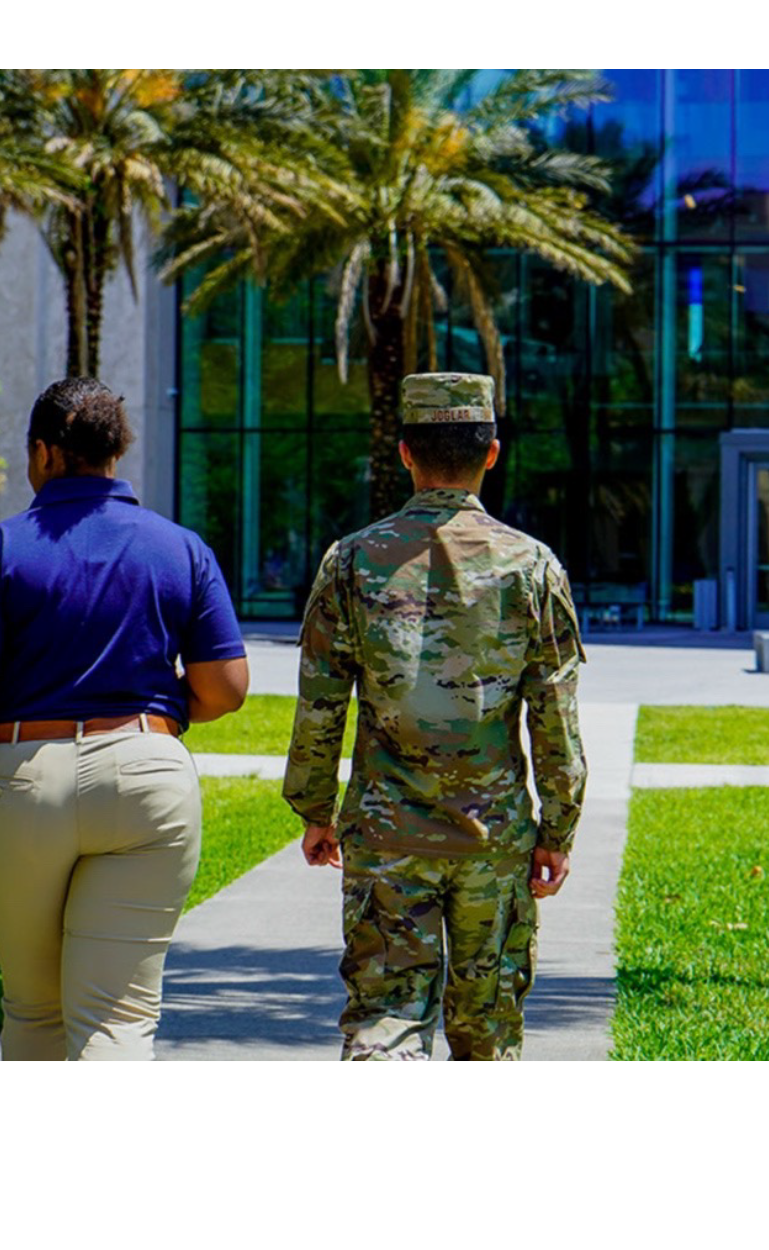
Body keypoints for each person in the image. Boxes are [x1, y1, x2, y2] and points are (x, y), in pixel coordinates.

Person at [0, 377, 249, 1061]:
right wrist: (152, 718)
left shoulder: (1, 548)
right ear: (115, 452)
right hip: (147, 773)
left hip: (26, 779)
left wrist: (0, 720)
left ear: (43, 453)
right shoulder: (180, 546)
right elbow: (225, 687)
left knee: (35, 1011)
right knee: (117, 1019)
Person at [283, 372, 587, 1062]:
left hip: (388, 840)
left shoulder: (352, 561)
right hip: (494, 842)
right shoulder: (533, 567)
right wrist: (557, 829)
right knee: (486, 1038)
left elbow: (321, 699)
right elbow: (555, 716)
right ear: (492, 453)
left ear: (404, 453)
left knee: (386, 1024)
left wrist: (315, 809)